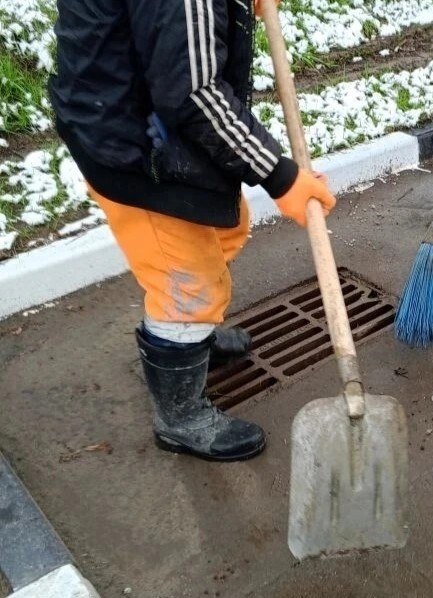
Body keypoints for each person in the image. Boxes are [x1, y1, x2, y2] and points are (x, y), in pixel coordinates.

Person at [49, 0, 337, 461]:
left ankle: (190, 340)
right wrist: (280, 176)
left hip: (138, 115)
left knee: (225, 230)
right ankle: (180, 417)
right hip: (137, 151)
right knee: (187, 286)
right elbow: (193, 94)